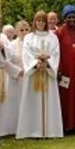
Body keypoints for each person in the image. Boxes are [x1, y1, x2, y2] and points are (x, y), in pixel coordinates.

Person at [16, 11, 63, 139]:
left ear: (46, 23)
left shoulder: (52, 37)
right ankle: (32, 130)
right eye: (38, 20)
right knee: (32, 101)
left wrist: (47, 63)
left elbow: (55, 53)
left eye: (43, 21)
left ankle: (50, 130)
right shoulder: (29, 37)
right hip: (34, 73)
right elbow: (26, 53)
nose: (40, 23)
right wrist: (36, 64)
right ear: (34, 22)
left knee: (49, 100)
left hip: (47, 72)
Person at [55, 5, 75, 132]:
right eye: (69, 17)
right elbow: (55, 52)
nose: (71, 19)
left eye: (74, 17)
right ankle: (67, 125)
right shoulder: (59, 33)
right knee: (66, 98)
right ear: (64, 18)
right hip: (65, 71)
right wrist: (58, 69)